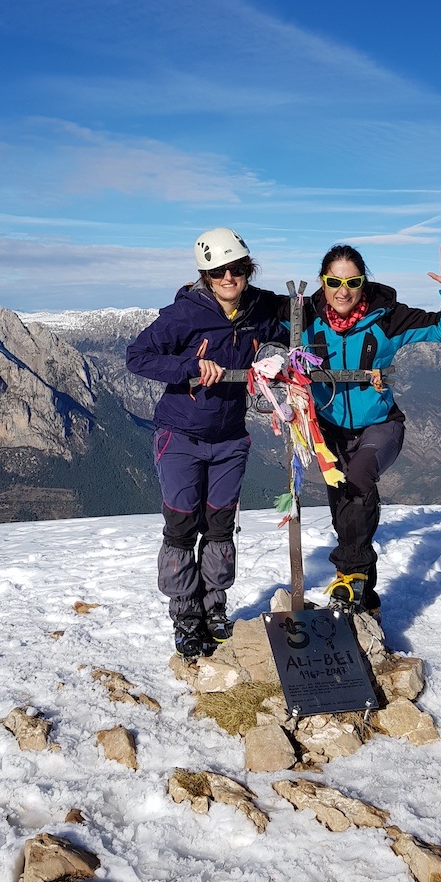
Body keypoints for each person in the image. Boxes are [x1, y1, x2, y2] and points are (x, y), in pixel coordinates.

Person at [126, 227, 282, 659]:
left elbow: (297, 324)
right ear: (205, 275)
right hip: (180, 435)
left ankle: (215, 608)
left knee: (219, 528)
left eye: (236, 269)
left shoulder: (261, 308)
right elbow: (137, 356)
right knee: (180, 526)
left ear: (247, 270)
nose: (228, 278)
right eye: (217, 271)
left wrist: (279, 358)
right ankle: (185, 614)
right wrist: (189, 365)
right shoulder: (184, 315)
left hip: (230, 438)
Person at [295, 243, 441, 619]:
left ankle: (350, 577)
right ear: (322, 283)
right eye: (334, 281)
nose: (343, 290)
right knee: (344, 506)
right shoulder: (301, 318)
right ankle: (364, 596)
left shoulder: (387, 318)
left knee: (357, 480)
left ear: (363, 282)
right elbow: (246, 307)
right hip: (329, 431)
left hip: (380, 425)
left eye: (352, 281)